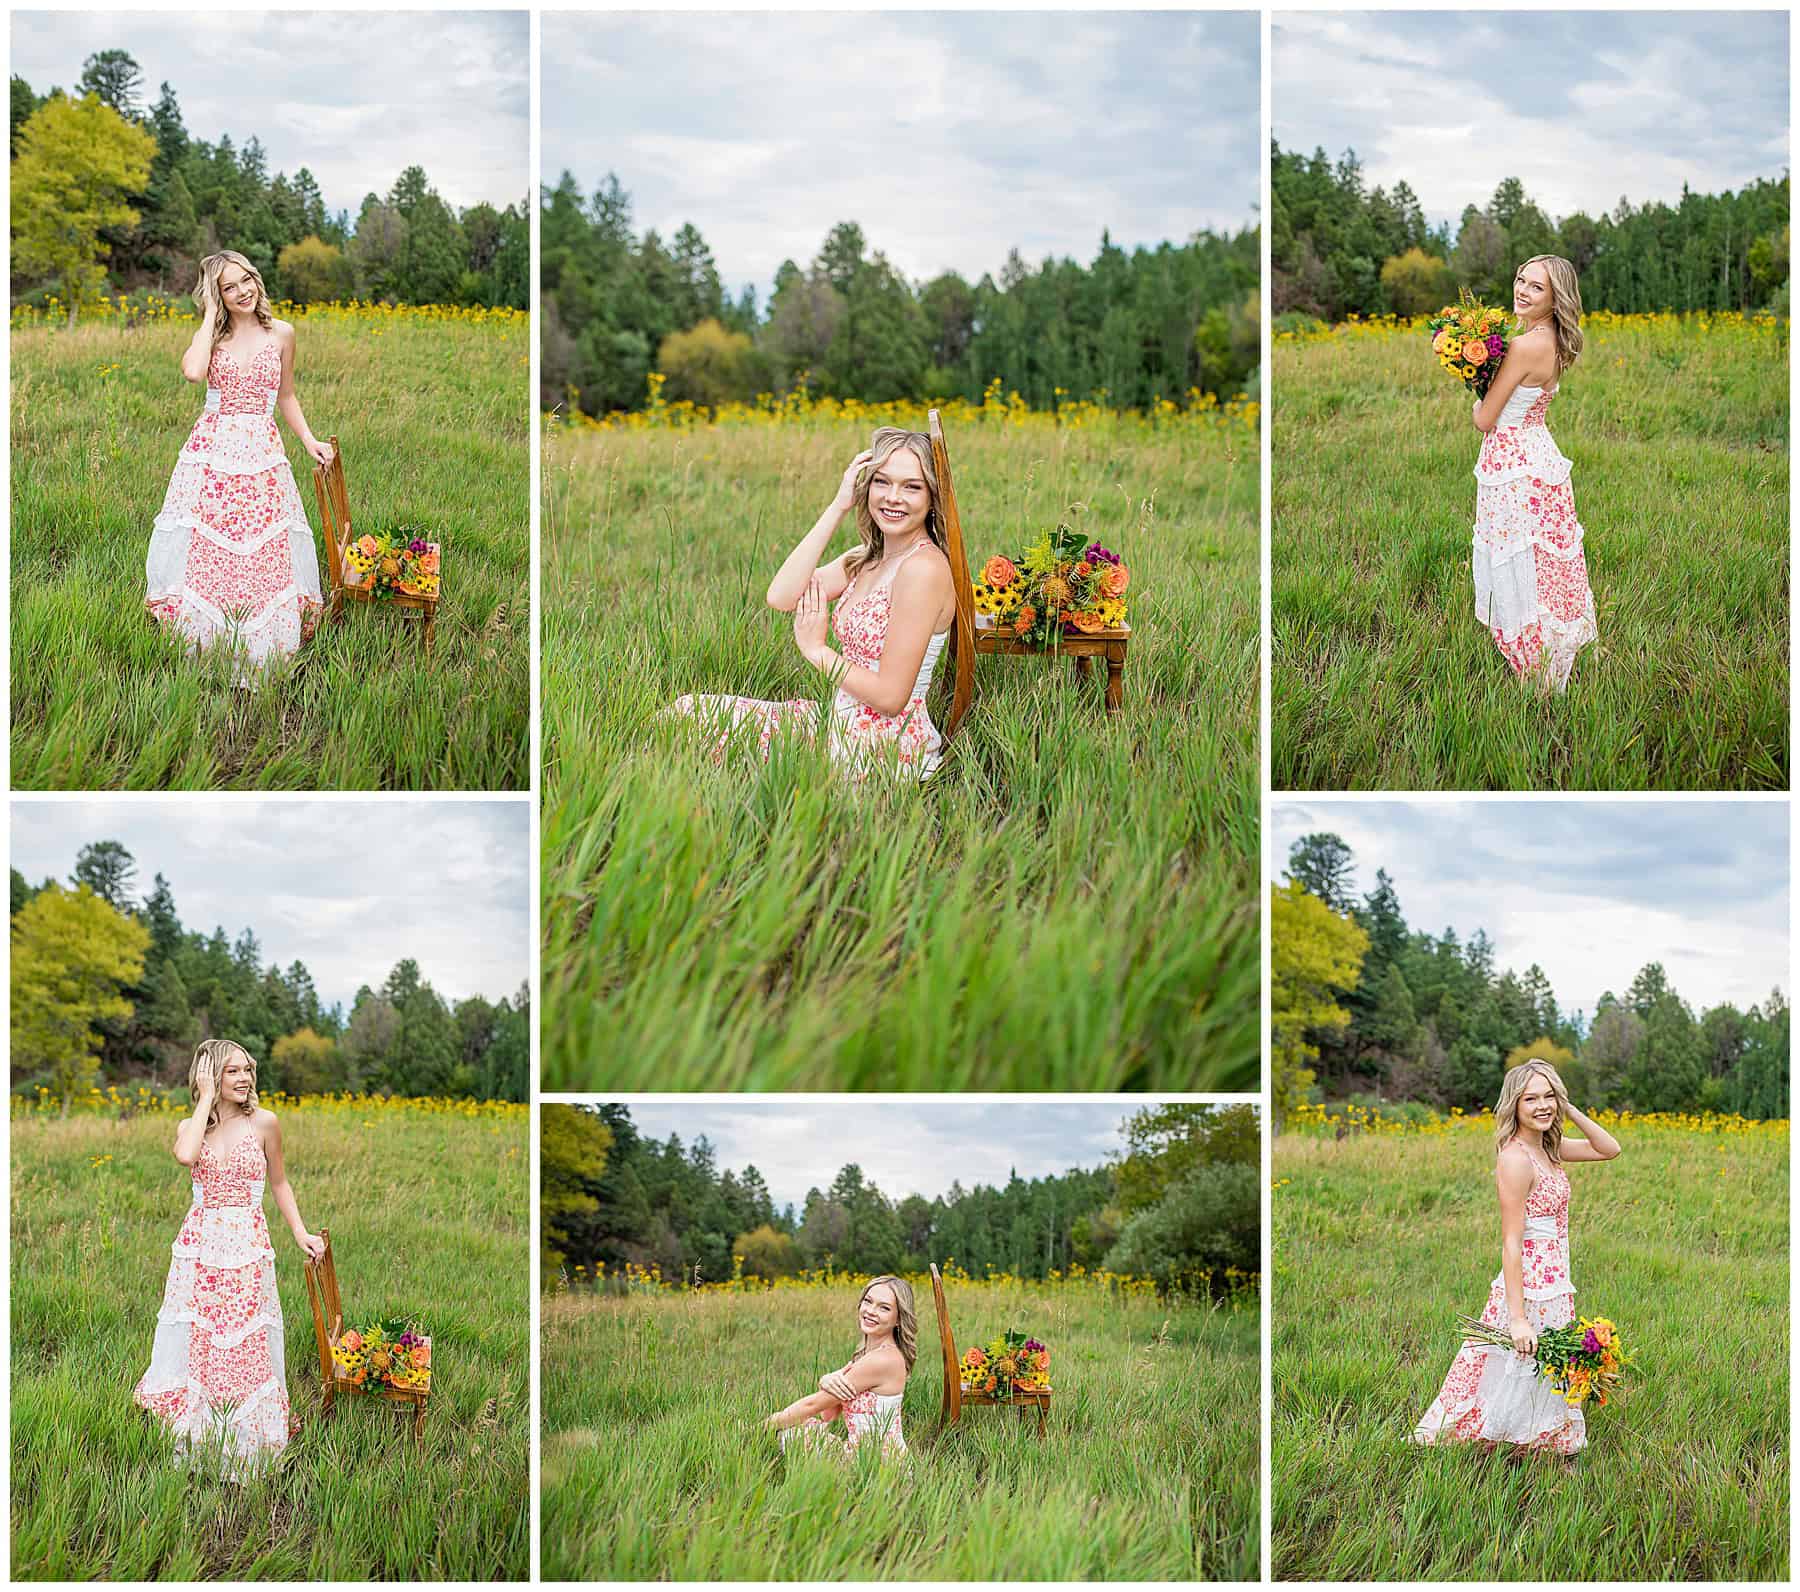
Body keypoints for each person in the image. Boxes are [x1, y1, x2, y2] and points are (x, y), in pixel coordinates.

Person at [669, 428, 956, 779]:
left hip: (880, 746)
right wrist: (838, 506)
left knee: (735, 759)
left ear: (932, 498)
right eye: (882, 482)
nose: (893, 497)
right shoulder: (867, 558)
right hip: (836, 721)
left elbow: (892, 698)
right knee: (687, 713)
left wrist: (817, 651)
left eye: (911, 486)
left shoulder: (923, 570)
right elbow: (782, 596)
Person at [133, 1039, 326, 1473]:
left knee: (241, 1336)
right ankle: (203, 1421)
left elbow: (279, 1183)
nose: (245, 1078)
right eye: (232, 1071)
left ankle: (245, 1430)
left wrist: (299, 1233)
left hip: (245, 1244)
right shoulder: (191, 1125)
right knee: (202, 1334)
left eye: (248, 1070)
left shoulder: (265, 1123)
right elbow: (185, 1155)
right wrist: (205, 1100)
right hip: (200, 1245)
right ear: (209, 1077)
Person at [1412, 1060, 1621, 1454]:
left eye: (1548, 1096)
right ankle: (1498, 1443)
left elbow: (1609, 1149)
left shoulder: (1548, 1147)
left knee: (1542, 1366)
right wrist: (1518, 1316)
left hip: (1556, 1278)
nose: (1542, 1106)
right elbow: (1511, 1241)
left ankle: (1535, 1441)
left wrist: (1569, 1108)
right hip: (1531, 1282)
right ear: (1514, 1105)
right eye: (1531, 1099)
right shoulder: (1515, 1158)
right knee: (1514, 1363)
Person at [144, 251, 327, 679]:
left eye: (245, 280)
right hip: (213, 449)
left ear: (256, 279)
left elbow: (286, 396)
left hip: (261, 450)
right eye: (229, 287)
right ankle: (209, 629)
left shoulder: (282, 333)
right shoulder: (213, 337)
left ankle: (260, 629)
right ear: (217, 295)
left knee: (258, 541)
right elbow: (192, 372)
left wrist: (308, 439)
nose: (242, 291)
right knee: (213, 541)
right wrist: (209, 315)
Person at [1469, 255, 1598, 694]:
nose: (1522, 290)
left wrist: (1476, 398)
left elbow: (1487, 419)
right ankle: (1553, 646)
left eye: (1536, 287)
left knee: (1518, 559)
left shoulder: (1524, 347)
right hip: (1541, 454)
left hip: (1513, 467)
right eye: (1521, 280)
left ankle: (1530, 660)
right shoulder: (1556, 340)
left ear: (1555, 296)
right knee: (1544, 562)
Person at [764, 1275, 914, 1458]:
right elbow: (829, 1415)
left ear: (898, 1319)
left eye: (884, 1308)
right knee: (799, 1428)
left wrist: (762, 1427)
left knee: (789, 1433)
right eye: (868, 1301)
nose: (871, 1311)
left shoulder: (882, 1360)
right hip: (863, 1453)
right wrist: (825, 1381)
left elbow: (812, 1405)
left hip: (875, 1464)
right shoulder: (869, 1354)